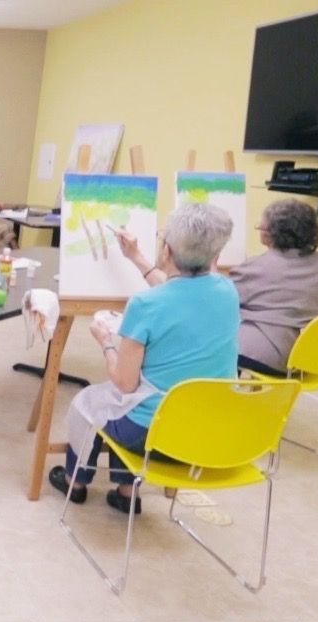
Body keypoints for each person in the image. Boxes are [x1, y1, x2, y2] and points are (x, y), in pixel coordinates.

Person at [48, 203, 239, 514]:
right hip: (206, 433)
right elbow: (179, 294)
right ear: (215, 257)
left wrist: (107, 343)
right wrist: (136, 258)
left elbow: (124, 383)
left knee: (91, 403)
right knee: (133, 405)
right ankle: (126, 493)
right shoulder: (227, 291)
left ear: (166, 250)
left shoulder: (145, 304)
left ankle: (75, 481)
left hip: (154, 437)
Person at [118, 198, 318, 375]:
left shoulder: (257, 268)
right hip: (305, 352)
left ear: (272, 234)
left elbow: (198, 298)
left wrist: (137, 258)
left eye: (260, 226)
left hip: (265, 355)